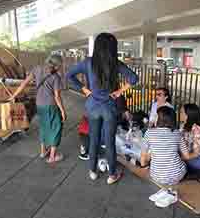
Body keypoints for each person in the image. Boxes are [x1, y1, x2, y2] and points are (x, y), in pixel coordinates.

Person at [66, 33, 138, 185]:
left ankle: (92, 171)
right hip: (110, 108)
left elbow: (69, 76)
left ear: (97, 46)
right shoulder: (115, 63)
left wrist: (84, 89)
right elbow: (133, 79)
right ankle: (112, 175)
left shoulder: (87, 62)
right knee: (109, 141)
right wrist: (119, 92)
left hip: (92, 106)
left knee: (94, 139)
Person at [10, 55, 66, 163]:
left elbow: (24, 83)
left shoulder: (37, 69)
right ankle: (52, 157)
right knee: (56, 127)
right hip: (51, 105)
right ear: (57, 65)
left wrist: (14, 95)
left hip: (39, 104)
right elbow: (57, 97)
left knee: (44, 126)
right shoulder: (56, 77)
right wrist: (63, 111)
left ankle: (43, 151)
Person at [142, 106, 191, 208]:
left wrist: (148, 162)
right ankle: (170, 191)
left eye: (156, 116)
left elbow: (143, 160)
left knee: (160, 164)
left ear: (159, 119)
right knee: (182, 164)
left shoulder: (149, 132)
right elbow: (187, 156)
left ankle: (169, 192)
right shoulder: (177, 133)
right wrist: (197, 152)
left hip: (156, 175)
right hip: (177, 174)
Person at [78, 95, 132, 161]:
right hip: (89, 134)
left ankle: (85, 147)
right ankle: (88, 148)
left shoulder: (99, 99)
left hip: (84, 131)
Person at [180, 104, 200, 171]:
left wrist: (180, 158)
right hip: (190, 155)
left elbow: (196, 154)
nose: (179, 114)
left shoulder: (197, 131)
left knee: (174, 161)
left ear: (187, 115)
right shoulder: (184, 126)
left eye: (181, 112)